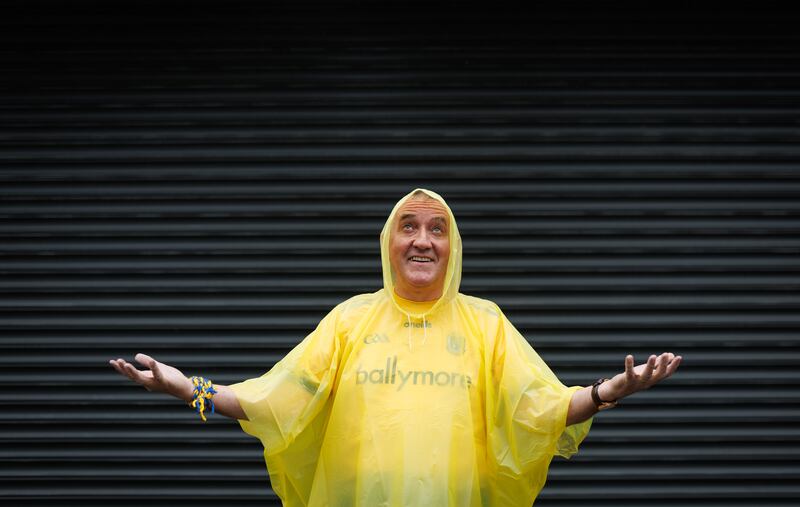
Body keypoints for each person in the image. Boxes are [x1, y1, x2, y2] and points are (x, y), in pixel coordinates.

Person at [110, 188, 681, 506]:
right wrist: (192, 390)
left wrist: (609, 392)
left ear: (453, 246)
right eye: (408, 227)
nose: (422, 240)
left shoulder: (485, 324)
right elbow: (276, 399)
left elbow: (542, 409)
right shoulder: (350, 321)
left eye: (437, 229)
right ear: (388, 242)